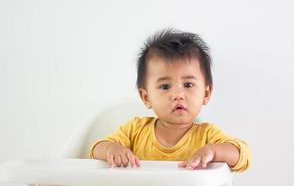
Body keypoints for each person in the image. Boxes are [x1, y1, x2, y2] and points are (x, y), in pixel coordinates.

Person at [90, 29, 251, 172]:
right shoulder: (135, 131)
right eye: (165, 86)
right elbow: (96, 149)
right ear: (146, 97)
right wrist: (112, 149)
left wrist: (213, 152)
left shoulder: (206, 136)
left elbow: (241, 155)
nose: (178, 94)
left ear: (206, 94)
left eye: (188, 84)